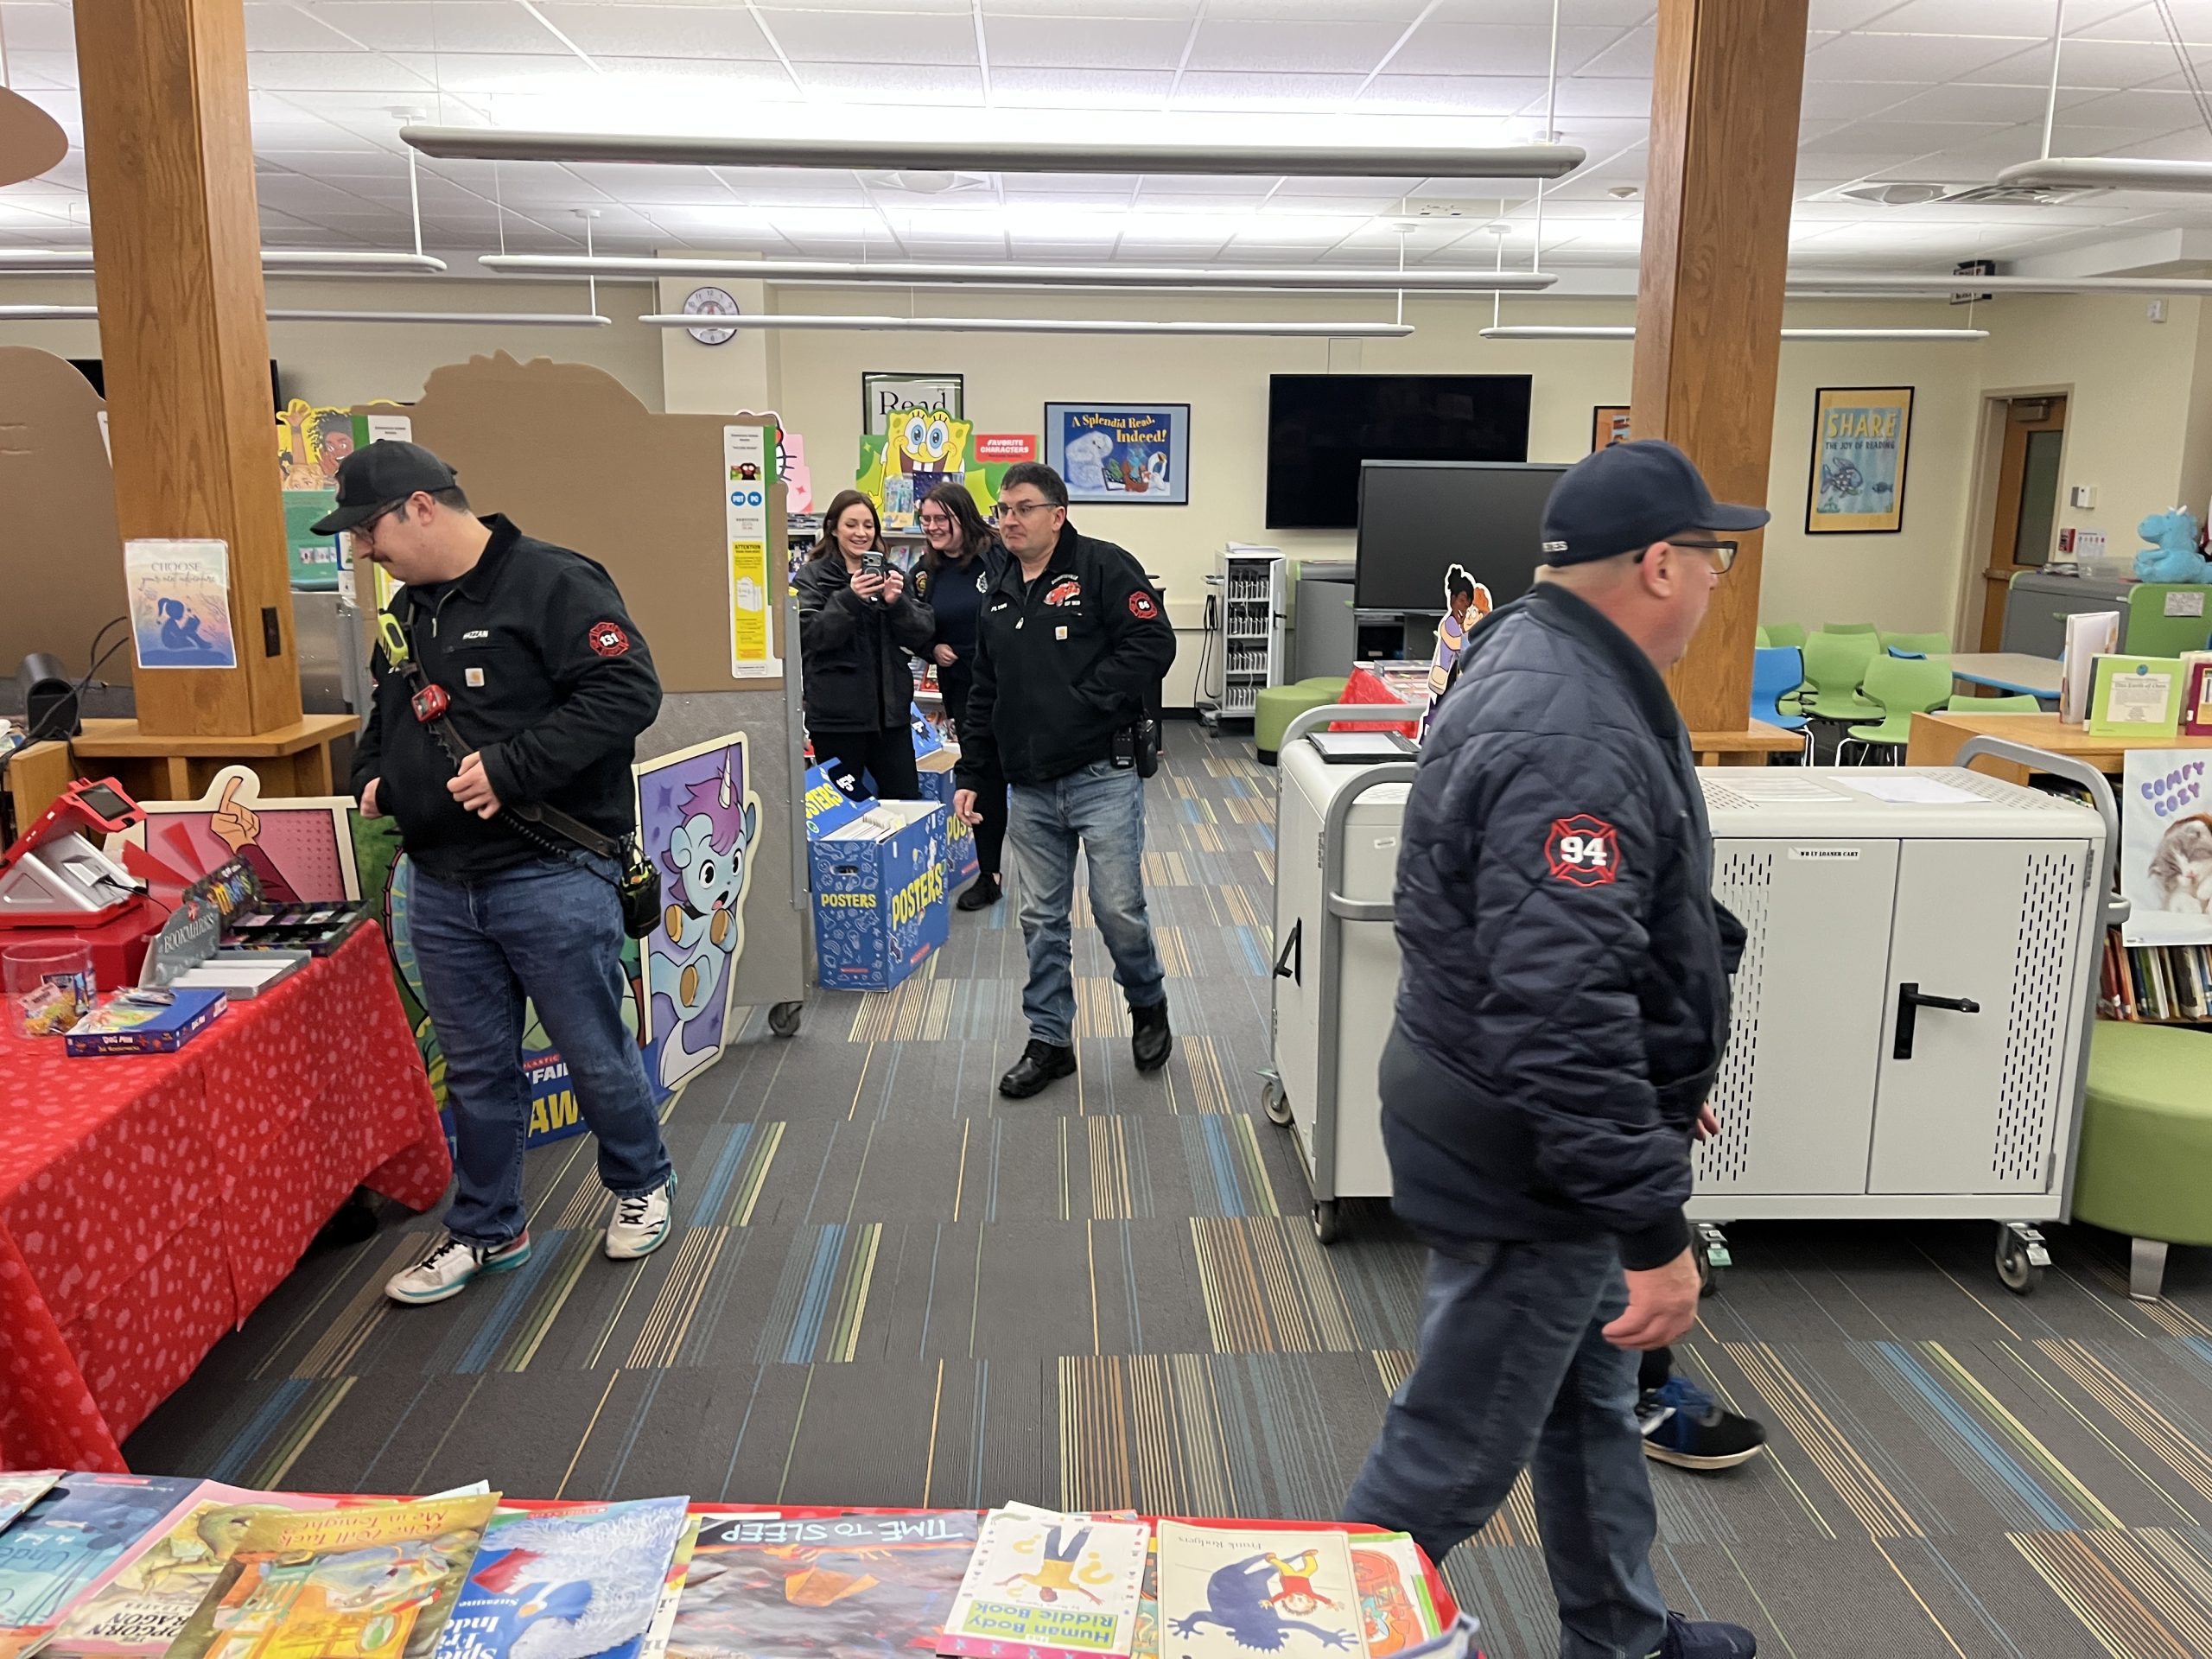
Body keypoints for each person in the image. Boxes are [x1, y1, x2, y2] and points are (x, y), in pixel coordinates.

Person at [1342, 440, 1772, 1659]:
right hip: (1525, 1158)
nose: (1717, 582)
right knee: (1444, 1460)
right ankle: (1302, 1635)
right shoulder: (1571, 723)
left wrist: (1656, 1071)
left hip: (1507, 1111)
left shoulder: (1536, 651)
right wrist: (1654, 1231)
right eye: (1713, 558)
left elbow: (1578, 951)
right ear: (1658, 564)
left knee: (1588, 1410)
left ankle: (1621, 1639)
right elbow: (1558, 1009)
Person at [326, 440, 678, 1306]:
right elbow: (389, 715)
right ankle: (488, 1226)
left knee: (594, 1053)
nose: (363, 549)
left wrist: (512, 769)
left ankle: (641, 1182)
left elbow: (627, 693)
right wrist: (371, 773)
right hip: (441, 884)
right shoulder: (406, 612)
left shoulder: (554, 581)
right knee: (478, 1070)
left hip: (550, 871)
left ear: (419, 506)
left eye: (368, 530)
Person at [952, 462, 1175, 1099]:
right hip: (1029, 785)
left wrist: (1086, 700)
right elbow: (985, 688)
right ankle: (1050, 1042)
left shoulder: (1103, 567)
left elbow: (1152, 644)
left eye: (1023, 508)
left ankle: (1147, 1002)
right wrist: (974, 771)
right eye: (1002, 509)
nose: (1009, 520)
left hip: (1101, 775)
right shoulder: (997, 585)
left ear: (1058, 514)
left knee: (1117, 910)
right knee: (1040, 918)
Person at [794, 489, 935, 802]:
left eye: (868, 525)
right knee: (844, 808)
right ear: (833, 528)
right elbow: (810, 635)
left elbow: (922, 633)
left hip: (891, 719)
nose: (861, 533)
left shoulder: (893, 575)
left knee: (905, 801)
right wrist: (850, 598)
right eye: (851, 525)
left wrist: (897, 603)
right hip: (836, 721)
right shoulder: (812, 577)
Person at [912, 482, 1008, 911]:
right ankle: (990, 875)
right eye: (926, 520)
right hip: (965, 688)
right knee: (983, 778)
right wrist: (931, 647)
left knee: (1033, 777)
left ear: (963, 517)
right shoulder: (925, 571)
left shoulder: (998, 554)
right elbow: (912, 622)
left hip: (1014, 682)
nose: (932, 527)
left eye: (941, 519)